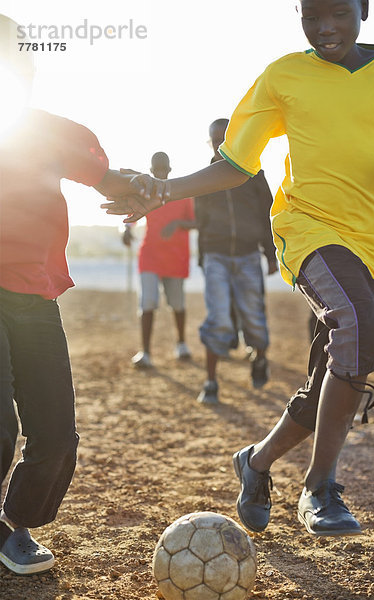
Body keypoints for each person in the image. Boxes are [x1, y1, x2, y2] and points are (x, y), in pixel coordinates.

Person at [102, 0, 374, 537]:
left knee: (339, 374)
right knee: (357, 323)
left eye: (338, 13)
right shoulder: (284, 76)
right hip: (306, 227)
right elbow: (235, 162)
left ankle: (257, 462)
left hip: (371, 244)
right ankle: (320, 488)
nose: (325, 27)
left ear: (364, 7)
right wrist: (165, 191)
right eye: (311, 16)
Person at [0, 15, 147, 575]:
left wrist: (145, 190)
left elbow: (109, 180)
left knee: (57, 431)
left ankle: (17, 527)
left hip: (34, 295)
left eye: (17, 60)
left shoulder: (52, 131)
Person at [195, 119, 277, 404]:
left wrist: (270, 253)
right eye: (214, 139)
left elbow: (267, 214)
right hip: (216, 256)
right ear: (210, 142)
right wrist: (203, 257)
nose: (220, 144)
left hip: (247, 255)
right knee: (217, 317)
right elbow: (200, 220)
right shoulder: (204, 177)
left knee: (253, 316)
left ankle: (260, 358)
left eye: (225, 137)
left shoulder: (254, 173)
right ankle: (210, 382)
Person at [122, 153, 194, 368]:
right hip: (150, 256)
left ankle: (181, 344)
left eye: (163, 169)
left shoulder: (182, 193)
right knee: (148, 303)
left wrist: (178, 223)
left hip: (176, 257)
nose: (160, 173)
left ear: (169, 170)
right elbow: (131, 216)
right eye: (157, 169)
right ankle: (145, 352)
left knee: (177, 304)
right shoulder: (145, 192)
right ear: (152, 171)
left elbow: (196, 222)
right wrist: (126, 229)